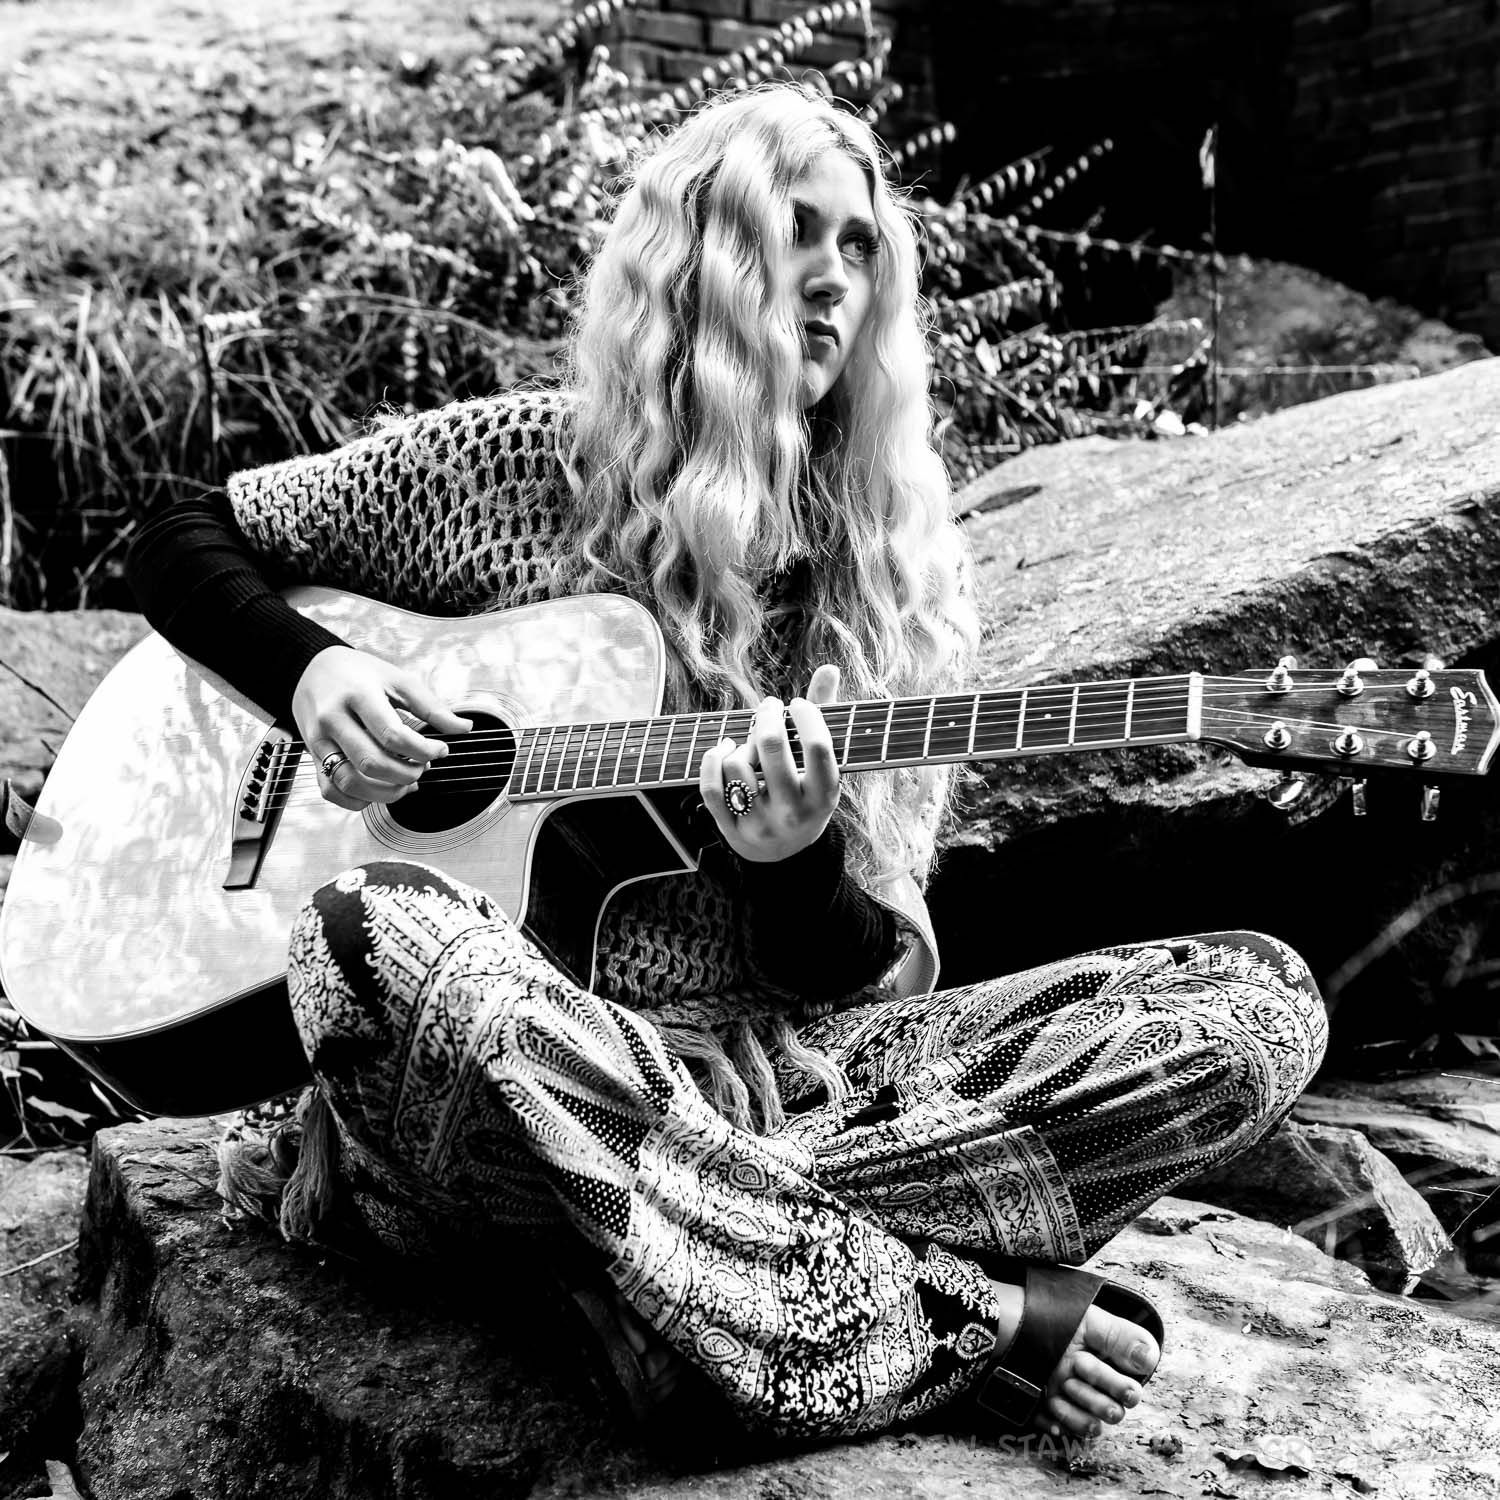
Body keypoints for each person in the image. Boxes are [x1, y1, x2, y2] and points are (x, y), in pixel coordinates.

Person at [126, 82, 1327, 1448]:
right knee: (366, 931)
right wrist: (313, 672)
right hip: (499, 1092)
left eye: (861, 246)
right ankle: (951, 1310)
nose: (833, 278)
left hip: (775, 1093)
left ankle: (656, 1277)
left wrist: (794, 866)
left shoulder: (891, 576)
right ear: (695, 261)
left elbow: (872, 966)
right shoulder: (517, 464)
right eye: (792, 231)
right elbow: (180, 537)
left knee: (1252, 1008)